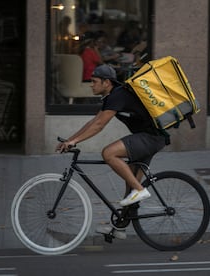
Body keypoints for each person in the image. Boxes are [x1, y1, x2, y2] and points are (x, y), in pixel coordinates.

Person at [56, 64, 167, 239]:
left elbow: (99, 126)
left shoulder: (118, 95)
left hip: (150, 138)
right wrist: (71, 140)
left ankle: (140, 190)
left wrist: (75, 141)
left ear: (106, 82)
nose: (91, 85)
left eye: (94, 81)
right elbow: (94, 122)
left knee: (108, 153)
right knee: (129, 186)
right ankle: (120, 228)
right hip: (149, 137)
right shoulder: (113, 97)